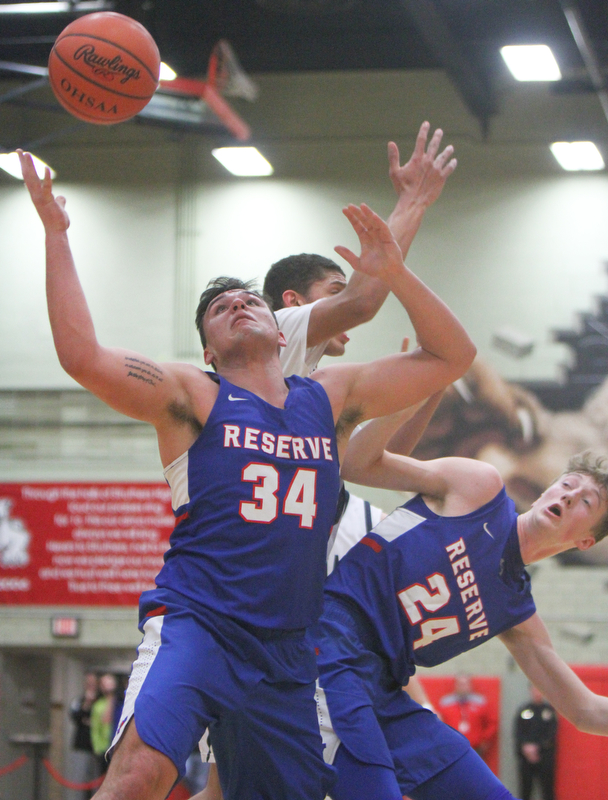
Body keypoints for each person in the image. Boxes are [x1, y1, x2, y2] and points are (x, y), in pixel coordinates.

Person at [19, 148, 475, 800]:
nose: (238, 303)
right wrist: (57, 235)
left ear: (278, 323)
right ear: (208, 349)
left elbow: (452, 354)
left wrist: (397, 271)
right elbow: (82, 355)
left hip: (288, 647)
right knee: (140, 775)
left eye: (248, 299)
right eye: (220, 306)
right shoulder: (192, 395)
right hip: (200, 623)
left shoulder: (329, 395)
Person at [311, 398, 608, 800]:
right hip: (329, 644)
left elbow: (585, 710)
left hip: (383, 685)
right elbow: (358, 464)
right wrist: (416, 387)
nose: (570, 496)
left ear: (583, 541)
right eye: (568, 484)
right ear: (543, 494)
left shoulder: (515, 612)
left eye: (587, 502)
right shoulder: (479, 489)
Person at [438, 673, 497, 763]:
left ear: (470, 685)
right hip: (451, 747)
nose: (462, 687)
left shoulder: (481, 702)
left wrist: (484, 740)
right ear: (455, 685)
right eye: (460, 684)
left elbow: (492, 723)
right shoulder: (445, 703)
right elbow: (439, 723)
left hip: (475, 748)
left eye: (465, 684)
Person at [514, 684, 557, 800]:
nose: (537, 692)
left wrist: (537, 748)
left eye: (539, 690)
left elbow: (552, 734)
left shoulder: (549, 711)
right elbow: (518, 733)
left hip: (545, 758)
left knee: (547, 790)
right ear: (530, 691)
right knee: (525, 790)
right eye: (534, 689)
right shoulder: (524, 711)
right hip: (526, 758)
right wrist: (526, 748)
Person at [69, 671, 100, 799]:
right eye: (88, 683)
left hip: (98, 747)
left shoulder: (101, 701)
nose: (90, 685)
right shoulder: (79, 700)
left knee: (96, 782)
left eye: (93, 683)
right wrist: (86, 704)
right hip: (81, 746)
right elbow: (75, 717)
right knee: (80, 780)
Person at [90, 673, 118, 775]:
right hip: (102, 748)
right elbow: (98, 725)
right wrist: (97, 747)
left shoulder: (119, 703)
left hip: (115, 745)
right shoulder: (98, 705)